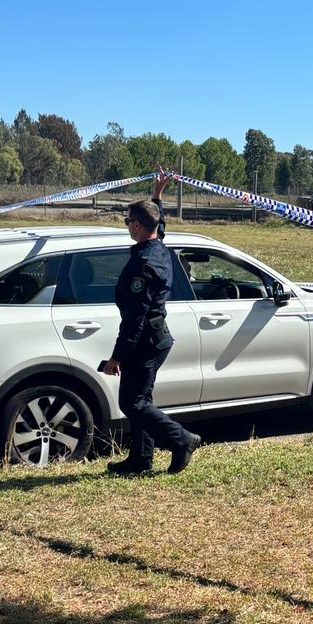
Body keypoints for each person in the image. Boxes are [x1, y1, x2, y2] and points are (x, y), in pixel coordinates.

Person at [104, 172, 200, 475]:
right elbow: (159, 222)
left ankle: (181, 440)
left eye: (128, 222)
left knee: (132, 403)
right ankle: (140, 459)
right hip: (156, 339)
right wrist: (157, 193)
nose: (126, 227)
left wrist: (117, 356)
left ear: (136, 226)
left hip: (145, 341)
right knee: (141, 399)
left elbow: (135, 317)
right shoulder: (158, 247)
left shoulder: (143, 264)